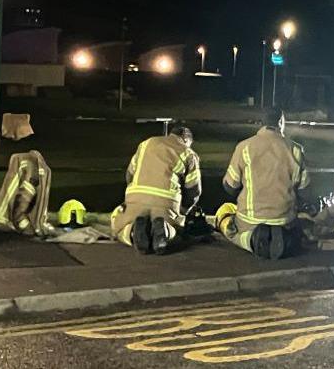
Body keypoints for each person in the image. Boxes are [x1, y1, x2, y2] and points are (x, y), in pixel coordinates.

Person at [215, 108, 309, 259]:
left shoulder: (244, 147)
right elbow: (304, 190)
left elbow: (229, 186)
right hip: (285, 220)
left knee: (226, 212)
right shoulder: (296, 149)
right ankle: (281, 238)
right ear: (281, 123)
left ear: (262, 123)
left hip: (250, 220)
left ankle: (250, 240)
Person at [110, 124, 201, 255]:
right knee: (177, 230)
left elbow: (129, 175)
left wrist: (132, 198)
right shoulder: (189, 154)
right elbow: (194, 191)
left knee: (118, 226)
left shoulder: (146, 144)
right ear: (186, 140)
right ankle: (165, 230)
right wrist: (183, 211)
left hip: (137, 199)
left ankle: (133, 231)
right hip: (166, 204)